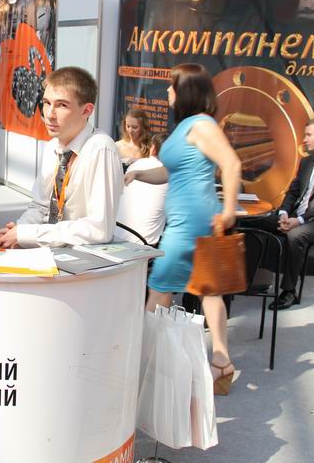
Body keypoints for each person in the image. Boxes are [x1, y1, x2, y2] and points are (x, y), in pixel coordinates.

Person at [124, 64, 242, 395]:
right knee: (209, 290)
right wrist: (139, 174)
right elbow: (170, 172)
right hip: (193, 219)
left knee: (159, 288)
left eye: (172, 86)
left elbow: (231, 164)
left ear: (186, 90)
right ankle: (222, 362)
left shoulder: (201, 125)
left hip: (191, 221)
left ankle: (136, 363)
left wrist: (229, 211)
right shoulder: (187, 127)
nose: (167, 92)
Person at [0, 67, 123, 248]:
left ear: (86, 111)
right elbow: (40, 206)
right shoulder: (53, 145)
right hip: (52, 248)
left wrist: (29, 234)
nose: (49, 114)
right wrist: (18, 232)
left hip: (83, 255)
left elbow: (99, 229)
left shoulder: (101, 148)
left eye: (62, 105)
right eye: (46, 103)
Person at [245, 117, 314, 311]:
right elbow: (293, 192)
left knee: (296, 235)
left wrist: (300, 220)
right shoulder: (307, 162)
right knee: (253, 221)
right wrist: (284, 213)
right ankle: (250, 279)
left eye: (308, 135)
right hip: (295, 217)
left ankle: (289, 291)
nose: (304, 140)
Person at [114, 133, 168, 246]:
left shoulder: (136, 164)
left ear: (153, 148)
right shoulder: (172, 174)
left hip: (116, 235)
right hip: (144, 244)